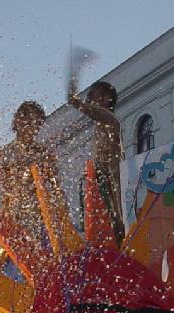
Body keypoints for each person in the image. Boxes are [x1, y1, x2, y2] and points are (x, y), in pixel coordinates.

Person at [0, 101, 70, 254]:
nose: (30, 126)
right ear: (17, 121)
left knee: (44, 257)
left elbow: (57, 191)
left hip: (39, 218)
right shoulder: (2, 154)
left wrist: (61, 218)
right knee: (7, 260)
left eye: (36, 123)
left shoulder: (43, 154)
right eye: (27, 120)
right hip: (12, 219)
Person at [68, 80, 125, 244]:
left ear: (106, 98)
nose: (88, 100)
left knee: (113, 225)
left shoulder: (110, 120)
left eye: (91, 96)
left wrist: (76, 102)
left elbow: (95, 112)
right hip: (102, 182)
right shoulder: (102, 125)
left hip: (111, 184)